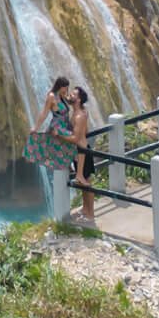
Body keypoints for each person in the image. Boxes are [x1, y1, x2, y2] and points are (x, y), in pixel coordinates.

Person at [23, 77, 74, 177]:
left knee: (71, 141)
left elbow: (72, 102)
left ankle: (69, 166)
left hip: (65, 125)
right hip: (57, 126)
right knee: (69, 141)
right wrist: (36, 128)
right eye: (66, 88)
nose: (67, 90)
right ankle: (69, 166)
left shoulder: (62, 95)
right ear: (60, 86)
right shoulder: (51, 96)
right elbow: (44, 113)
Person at [70, 85, 97, 225]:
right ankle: (86, 209)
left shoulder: (79, 115)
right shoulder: (80, 112)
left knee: (87, 183)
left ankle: (91, 214)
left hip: (82, 153)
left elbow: (76, 137)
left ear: (79, 100)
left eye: (73, 94)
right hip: (80, 151)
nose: (70, 95)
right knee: (83, 182)